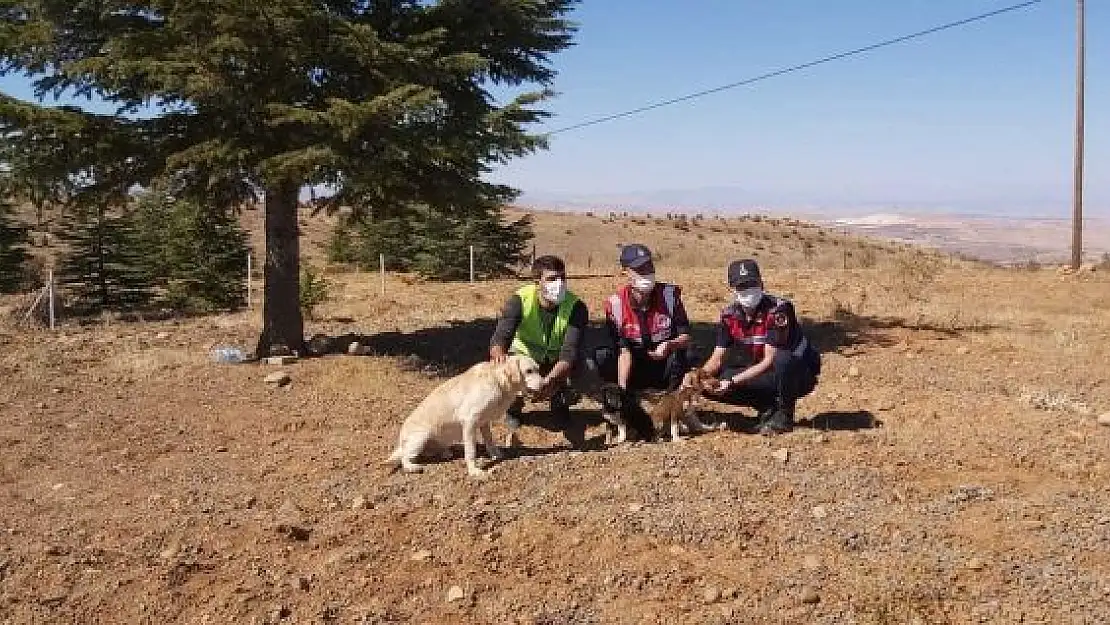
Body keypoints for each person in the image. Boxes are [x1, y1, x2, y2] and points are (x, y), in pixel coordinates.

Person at [700, 259, 822, 435]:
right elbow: (717, 358)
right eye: (742, 286)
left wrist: (732, 382)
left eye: (752, 283)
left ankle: (784, 416)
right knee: (712, 381)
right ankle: (768, 407)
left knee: (783, 358)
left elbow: (769, 360)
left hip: (798, 375)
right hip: (767, 374)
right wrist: (697, 378)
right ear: (733, 290)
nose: (748, 290)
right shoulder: (728, 316)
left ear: (761, 283)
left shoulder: (778, 311)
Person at [489, 255, 592, 449]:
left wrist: (550, 380)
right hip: (524, 359)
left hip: (556, 362)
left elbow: (569, 353)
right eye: (552, 279)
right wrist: (500, 359)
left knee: (584, 367)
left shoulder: (576, 307)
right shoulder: (519, 300)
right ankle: (513, 406)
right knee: (506, 366)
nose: (559, 283)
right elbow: (500, 339)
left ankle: (560, 402)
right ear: (538, 282)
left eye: (562, 277)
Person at [594, 244, 694, 439]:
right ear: (625, 272)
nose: (646, 273)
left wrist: (671, 345)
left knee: (687, 353)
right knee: (602, 356)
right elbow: (623, 352)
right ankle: (625, 405)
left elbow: (686, 335)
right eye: (640, 269)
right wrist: (622, 390)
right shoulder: (615, 304)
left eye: (649, 267)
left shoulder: (670, 295)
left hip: (664, 363)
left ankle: (671, 407)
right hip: (635, 364)